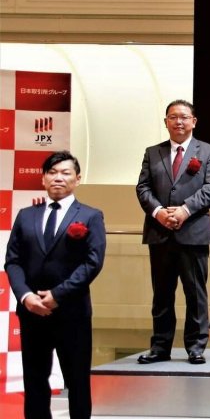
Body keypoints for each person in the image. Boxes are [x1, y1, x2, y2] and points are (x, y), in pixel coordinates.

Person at [5, 151, 107, 419]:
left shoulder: (90, 216)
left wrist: (57, 295)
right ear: (43, 179)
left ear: (77, 179)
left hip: (72, 313)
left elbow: (93, 263)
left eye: (65, 173)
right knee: (35, 380)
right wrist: (26, 296)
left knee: (78, 382)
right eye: (52, 172)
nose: (58, 178)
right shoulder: (26, 215)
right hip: (32, 312)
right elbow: (12, 261)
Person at [135, 99, 210, 364]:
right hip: (159, 232)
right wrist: (159, 212)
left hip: (193, 231)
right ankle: (160, 346)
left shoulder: (208, 151)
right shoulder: (153, 152)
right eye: (173, 117)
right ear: (166, 122)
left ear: (193, 121)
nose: (179, 121)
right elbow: (143, 188)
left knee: (195, 293)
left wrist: (184, 210)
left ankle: (196, 346)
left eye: (184, 117)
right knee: (162, 293)